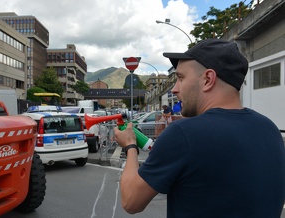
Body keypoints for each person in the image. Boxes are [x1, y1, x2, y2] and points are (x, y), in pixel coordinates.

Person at [114, 39, 285, 217]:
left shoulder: (183, 134)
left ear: (208, 79)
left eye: (180, 78)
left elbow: (131, 201)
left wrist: (130, 146)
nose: (174, 89)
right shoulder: (270, 129)